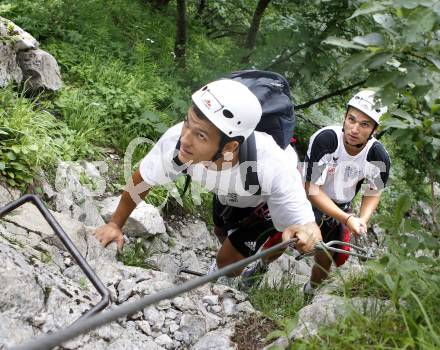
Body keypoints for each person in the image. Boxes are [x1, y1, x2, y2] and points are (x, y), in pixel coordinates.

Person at [93, 78, 322, 280]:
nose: (185, 139)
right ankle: (235, 256)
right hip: (229, 193)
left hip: (262, 205)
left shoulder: (273, 164)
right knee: (221, 233)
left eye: (200, 135)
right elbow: (143, 178)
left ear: (230, 146)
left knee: (227, 263)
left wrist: (308, 235)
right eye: (187, 122)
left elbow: (306, 224)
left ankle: (244, 271)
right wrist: (115, 225)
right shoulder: (178, 140)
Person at [303, 90, 391, 295]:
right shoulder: (325, 140)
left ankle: (310, 291)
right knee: (284, 237)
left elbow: (373, 192)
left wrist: (362, 219)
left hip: (341, 205)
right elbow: (311, 189)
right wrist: (347, 218)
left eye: (364, 124)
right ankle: (260, 267)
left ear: (374, 131)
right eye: (351, 119)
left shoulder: (378, 156)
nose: (354, 129)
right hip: (310, 200)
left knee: (327, 258)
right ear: (344, 117)